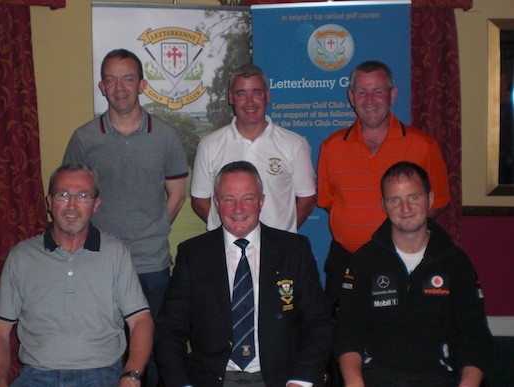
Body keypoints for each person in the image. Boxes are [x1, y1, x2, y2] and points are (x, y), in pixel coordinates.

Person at [63, 49, 188, 385]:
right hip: (99, 262)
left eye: (128, 78)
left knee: (154, 348)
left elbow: (177, 193)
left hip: (152, 264)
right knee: (104, 346)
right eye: (111, 79)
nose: (120, 87)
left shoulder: (165, 136)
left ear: (142, 84)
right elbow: (70, 198)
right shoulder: (84, 139)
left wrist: (157, 228)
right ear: (102, 86)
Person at [155, 161, 335, 386]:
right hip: (212, 379)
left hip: (282, 380)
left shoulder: (293, 250)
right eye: (228, 199)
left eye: (248, 198)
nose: (238, 209)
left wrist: (300, 380)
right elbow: (169, 329)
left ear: (261, 201)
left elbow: (319, 323)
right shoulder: (193, 255)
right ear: (217, 203)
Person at [0, 163, 153, 387]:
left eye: (83, 196)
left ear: (96, 204)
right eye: (63, 195)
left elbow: (141, 321)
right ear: (50, 202)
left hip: (102, 375)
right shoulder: (21, 257)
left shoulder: (116, 253)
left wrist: (131, 376)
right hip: (38, 375)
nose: (72, 205)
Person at [335, 161, 492, 387]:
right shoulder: (364, 261)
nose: (405, 208)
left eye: (414, 197)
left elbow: (475, 336)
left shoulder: (456, 262)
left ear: (429, 199)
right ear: (384, 205)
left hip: (441, 379)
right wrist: (355, 383)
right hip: (376, 379)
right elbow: (348, 334)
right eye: (394, 200)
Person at [317, 60, 451, 302]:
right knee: (343, 333)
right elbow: (328, 202)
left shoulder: (423, 146)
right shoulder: (331, 147)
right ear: (351, 97)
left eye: (378, 91)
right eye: (362, 92)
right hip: (346, 261)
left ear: (392, 94)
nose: (370, 100)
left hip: (406, 263)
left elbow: (438, 201)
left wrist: (405, 233)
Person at [191, 64, 316, 233]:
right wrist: (232, 232)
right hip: (225, 251)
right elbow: (199, 200)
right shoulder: (209, 145)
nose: (249, 102)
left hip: (278, 251)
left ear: (267, 96)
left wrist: (280, 238)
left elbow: (307, 199)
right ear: (230, 98)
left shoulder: (294, 144)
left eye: (256, 93)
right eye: (241, 93)